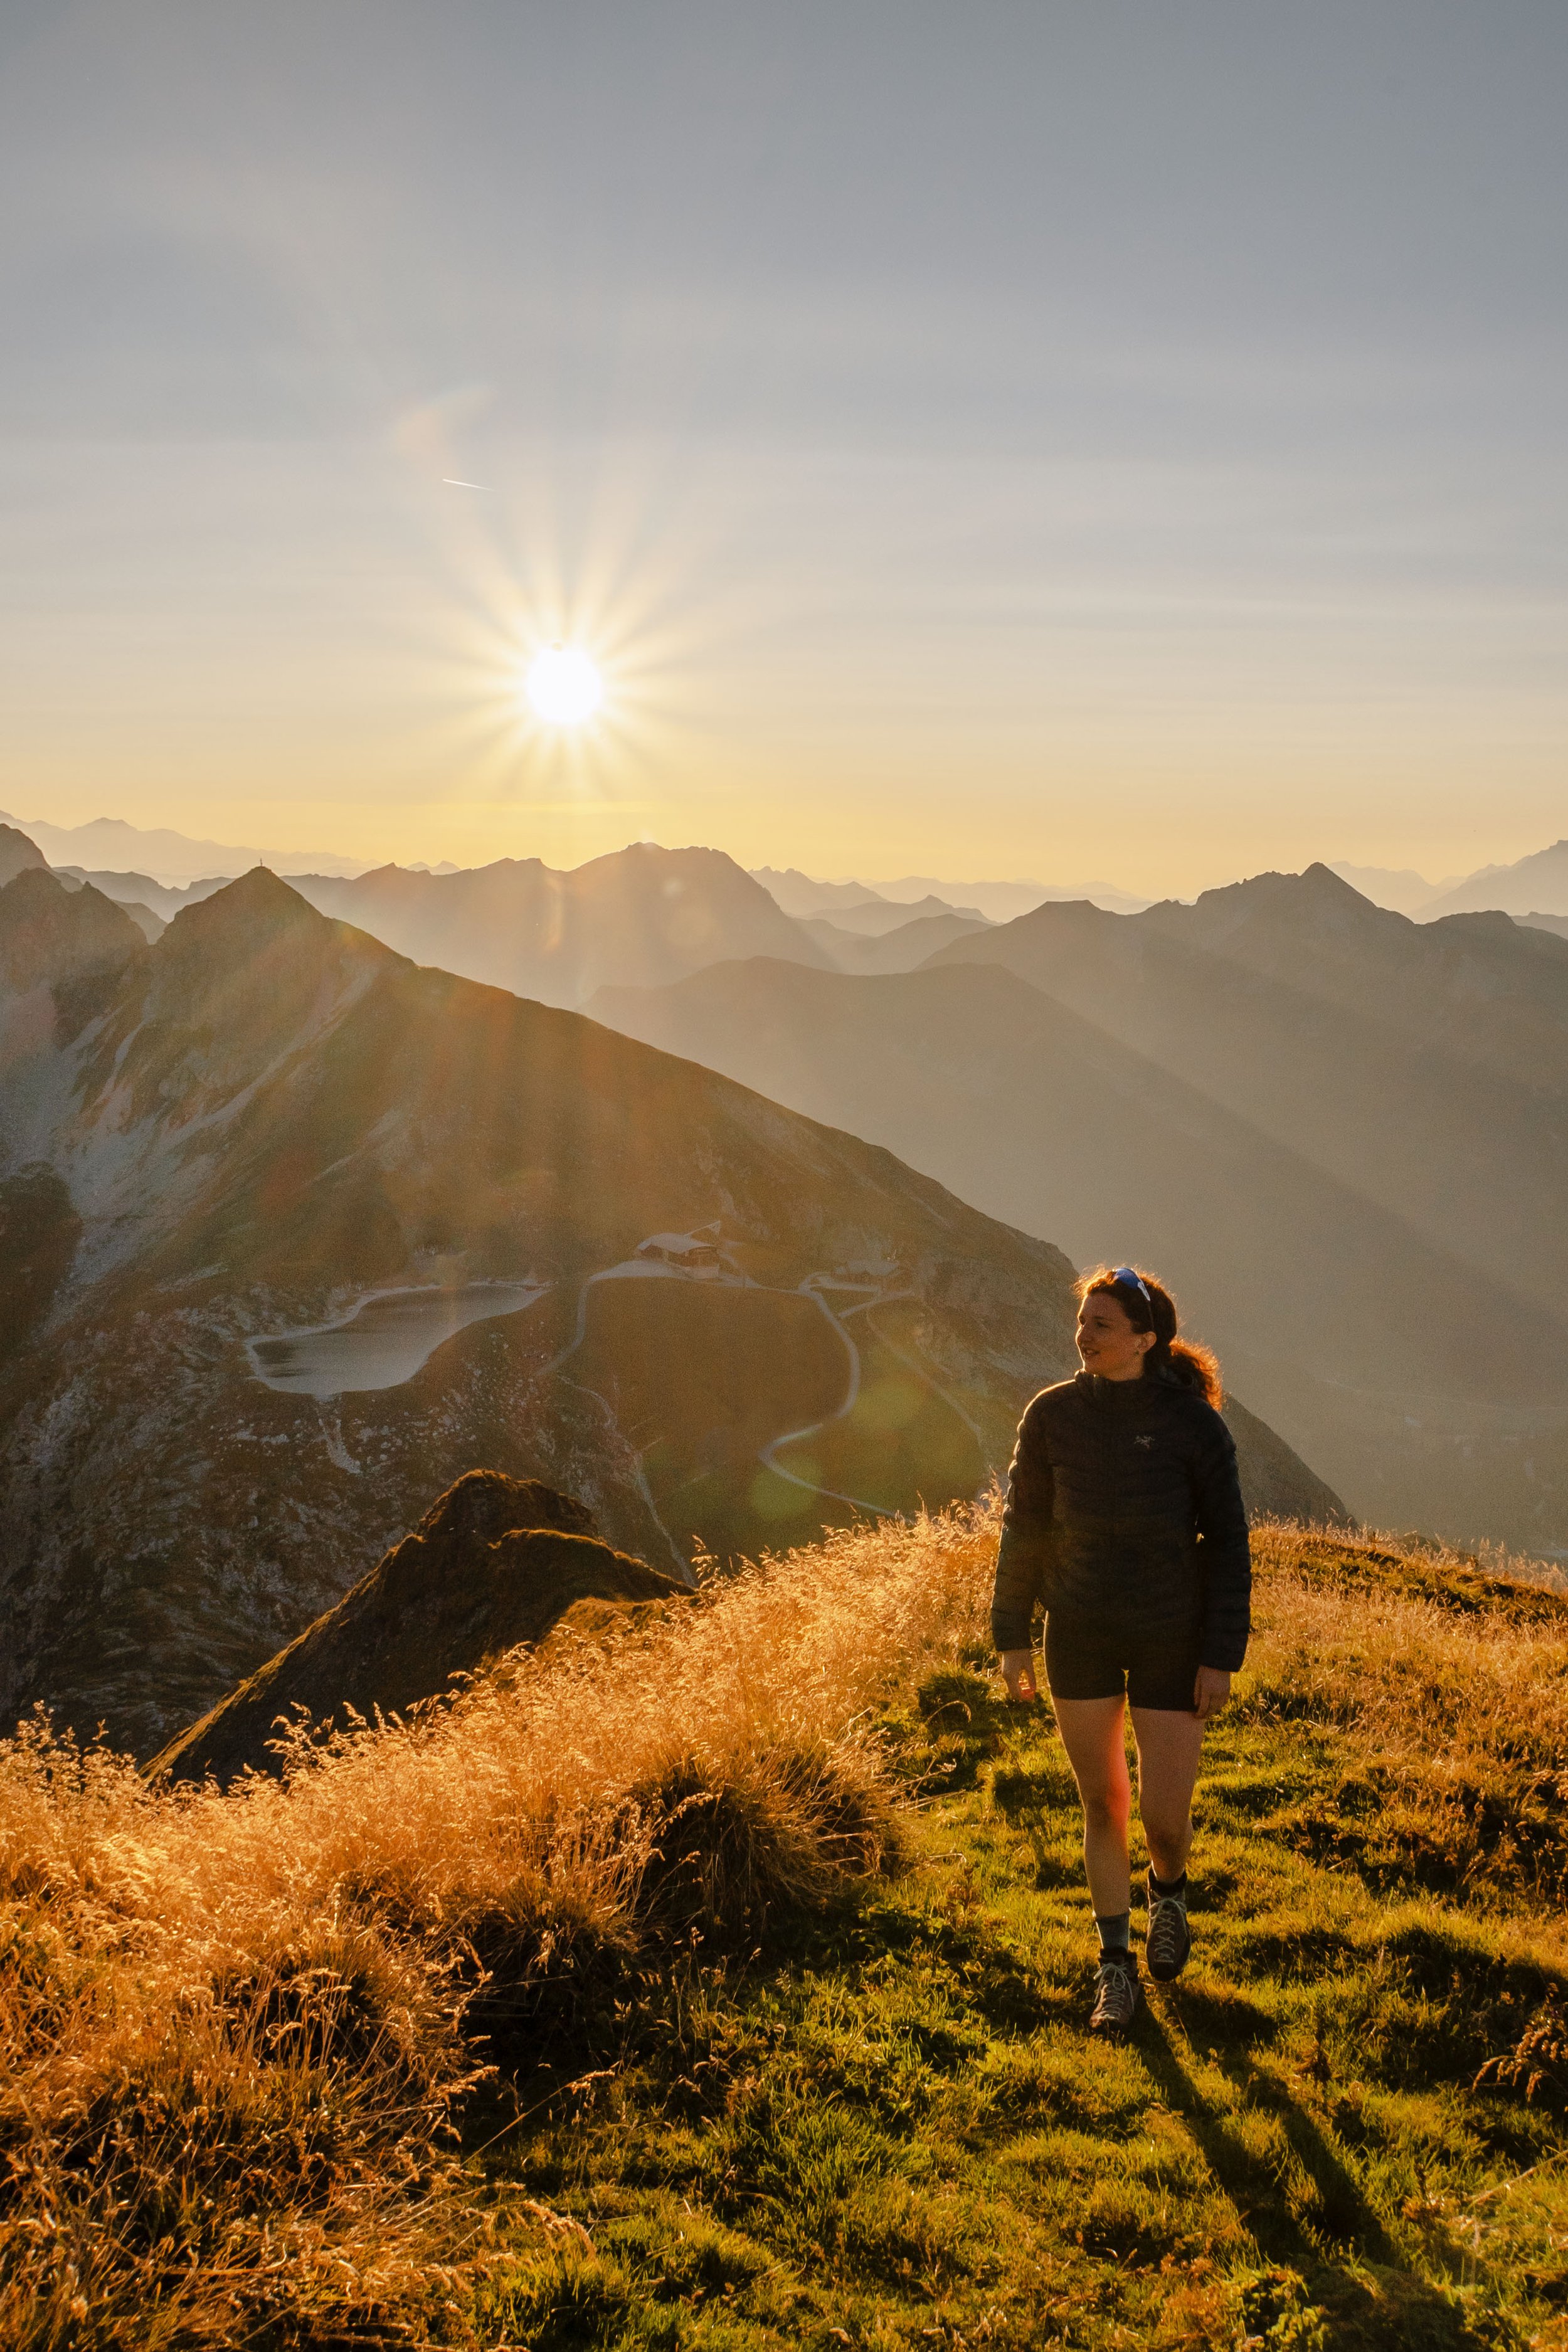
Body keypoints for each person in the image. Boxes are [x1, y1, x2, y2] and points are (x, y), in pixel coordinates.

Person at [991, 1265, 1251, 2035]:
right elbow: (1024, 1527)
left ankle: (1168, 1893)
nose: (1084, 1336)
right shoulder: (1050, 1416)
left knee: (1165, 1822)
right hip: (1079, 1630)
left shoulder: (1193, 1427)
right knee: (1102, 1803)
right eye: (1082, 1321)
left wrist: (1220, 1655)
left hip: (1172, 1634)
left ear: (1144, 1340)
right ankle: (1115, 1968)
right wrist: (1011, 1637)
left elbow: (1228, 1542)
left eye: (1102, 1325)